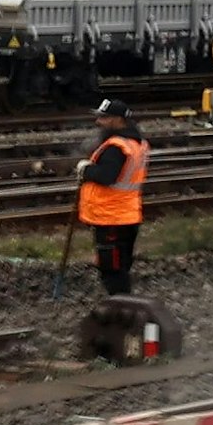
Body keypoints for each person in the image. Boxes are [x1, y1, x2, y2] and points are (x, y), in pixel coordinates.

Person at [76, 98, 148, 296]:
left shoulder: (117, 147)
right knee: (121, 265)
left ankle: (122, 308)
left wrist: (86, 170)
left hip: (111, 217)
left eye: (104, 118)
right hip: (127, 215)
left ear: (118, 120)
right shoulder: (136, 143)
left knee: (112, 268)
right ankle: (123, 304)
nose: (99, 122)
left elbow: (107, 177)